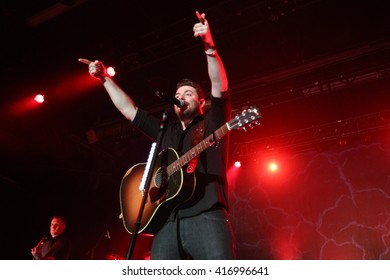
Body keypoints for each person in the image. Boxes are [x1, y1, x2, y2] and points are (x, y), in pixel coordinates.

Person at [80, 11, 236, 259]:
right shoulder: (167, 130)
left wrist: (209, 47)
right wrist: (104, 79)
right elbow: (129, 111)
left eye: (188, 93)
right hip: (165, 219)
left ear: (202, 101)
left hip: (207, 215)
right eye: (179, 94)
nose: (181, 97)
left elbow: (220, 86)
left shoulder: (211, 122)